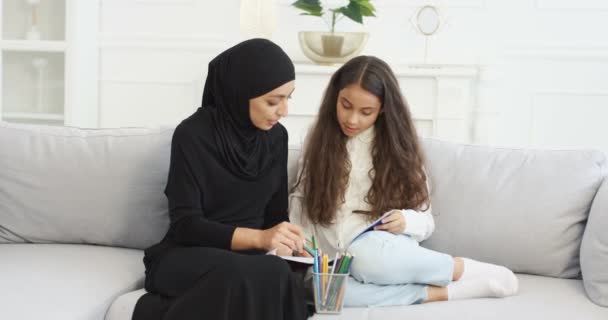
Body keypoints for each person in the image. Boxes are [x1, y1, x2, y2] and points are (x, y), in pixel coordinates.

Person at [289, 55, 519, 307]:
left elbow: (425, 220)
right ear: (335, 97)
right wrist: (301, 243)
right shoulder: (319, 140)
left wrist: (404, 220)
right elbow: (301, 202)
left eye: (366, 112)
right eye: (345, 105)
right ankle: (441, 292)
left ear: (384, 108)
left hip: (379, 248)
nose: (352, 119)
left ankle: (456, 269)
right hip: (332, 257)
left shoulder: (398, 150)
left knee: (366, 257)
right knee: (321, 293)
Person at [133, 38, 310, 320]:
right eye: (273, 101)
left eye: (289, 97)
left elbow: (275, 216)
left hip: (250, 262)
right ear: (240, 93)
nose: (284, 111)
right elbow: (186, 225)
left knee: (275, 271)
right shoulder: (192, 135)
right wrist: (260, 239)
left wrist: (289, 244)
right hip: (188, 254)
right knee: (247, 273)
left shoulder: (277, 138)